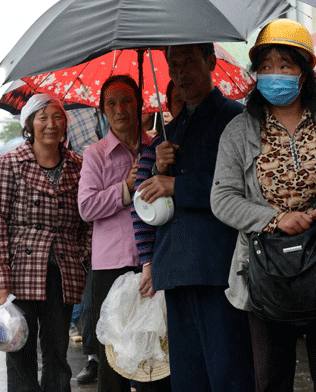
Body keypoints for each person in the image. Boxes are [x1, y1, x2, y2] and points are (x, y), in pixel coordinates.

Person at [210, 19, 316, 392]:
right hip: (265, 271)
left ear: (304, 72)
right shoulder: (240, 130)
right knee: (271, 380)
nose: (274, 75)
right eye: (266, 67)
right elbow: (222, 198)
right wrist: (275, 219)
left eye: (285, 66)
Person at [131, 42, 254, 392]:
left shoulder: (235, 118)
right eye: (173, 65)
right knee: (188, 379)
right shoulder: (173, 128)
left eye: (189, 63)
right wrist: (159, 165)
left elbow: (240, 188)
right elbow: (152, 196)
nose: (181, 73)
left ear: (211, 61)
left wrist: (176, 184)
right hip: (176, 267)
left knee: (228, 372)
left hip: (217, 267)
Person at [0, 93, 92, 392]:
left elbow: (88, 221)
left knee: (58, 353)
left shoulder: (78, 165)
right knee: (19, 351)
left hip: (64, 271)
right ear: (29, 124)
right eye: (43, 117)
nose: (51, 124)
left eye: (57, 117)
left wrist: (81, 256)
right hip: (20, 273)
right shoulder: (9, 164)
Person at [79, 75, 169, 392]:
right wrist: (125, 188)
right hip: (110, 266)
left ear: (140, 105)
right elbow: (86, 207)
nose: (120, 109)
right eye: (112, 103)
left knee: (156, 356)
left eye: (127, 100)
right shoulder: (96, 154)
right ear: (104, 110)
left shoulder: (159, 147)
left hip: (153, 261)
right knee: (114, 357)